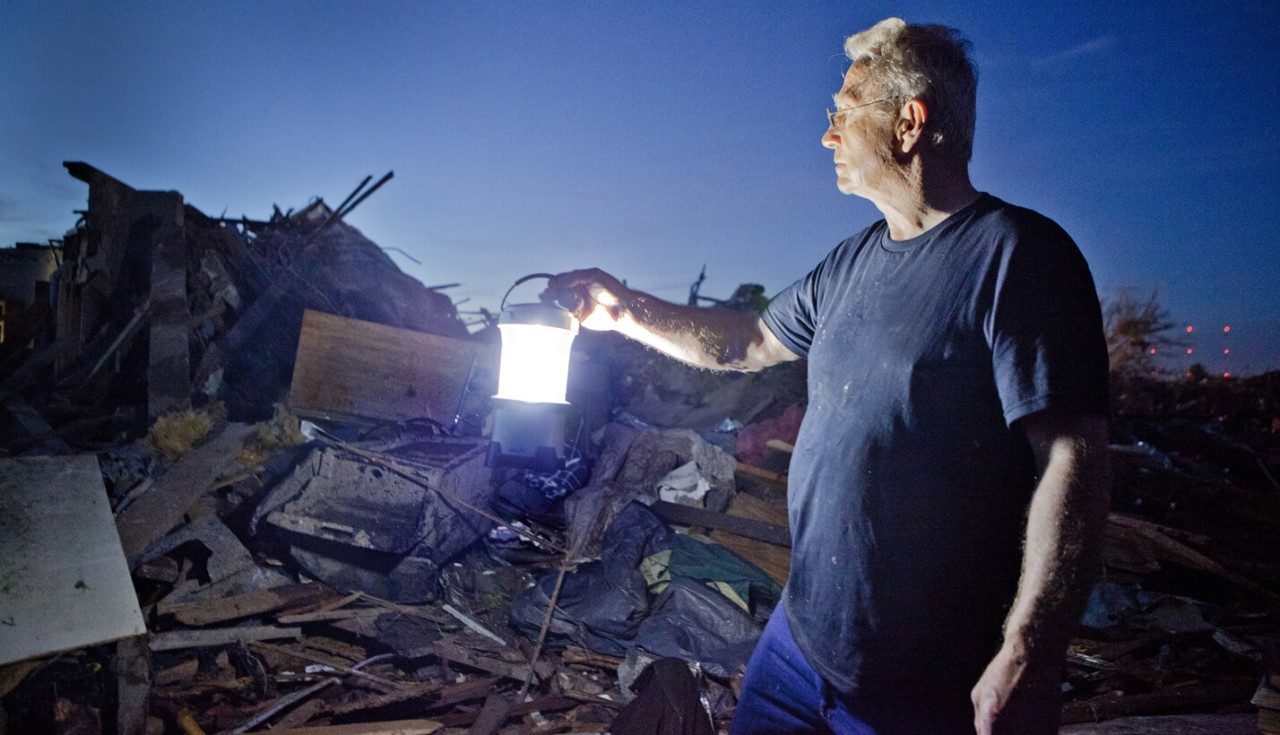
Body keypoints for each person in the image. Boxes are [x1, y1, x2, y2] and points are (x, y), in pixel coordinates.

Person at [546, 17, 1111, 735]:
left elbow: (1074, 459)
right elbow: (747, 339)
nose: (827, 135)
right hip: (800, 647)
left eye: (844, 112)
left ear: (909, 123)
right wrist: (623, 309)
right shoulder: (851, 263)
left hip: (930, 686)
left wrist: (1032, 645)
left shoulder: (1017, 258)